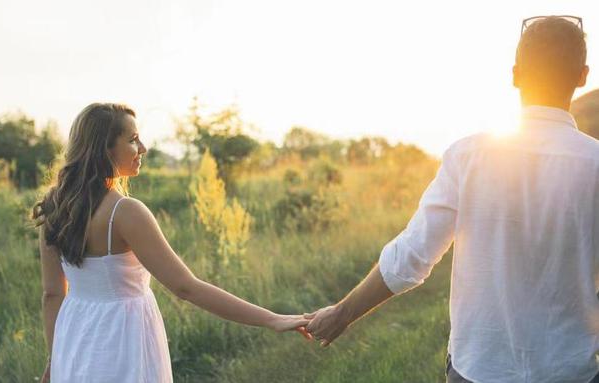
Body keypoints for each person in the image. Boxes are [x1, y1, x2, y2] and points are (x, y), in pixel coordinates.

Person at [305, 15, 598, 383]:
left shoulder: (468, 156)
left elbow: (411, 256)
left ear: (515, 74)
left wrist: (343, 313)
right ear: (583, 75)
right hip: (568, 371)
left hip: (478, 370)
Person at [33, 103, 310, 383]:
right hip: (121, 344)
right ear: (103, 149)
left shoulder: (54, 207)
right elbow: (186, 287)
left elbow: (52, 294)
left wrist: (55, 359)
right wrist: (272, 319)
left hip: (73, 344)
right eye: (132, 140)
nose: (143, 148)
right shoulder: (126, 212)